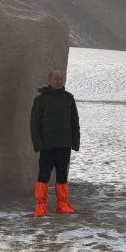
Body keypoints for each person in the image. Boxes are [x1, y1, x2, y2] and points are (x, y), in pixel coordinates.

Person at [30, 70, 80, 216]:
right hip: (47, 145)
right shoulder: (40, 100)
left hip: (65, 144)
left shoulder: (69, 98)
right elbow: (34, 124)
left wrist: (75, 143)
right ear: (49, 81)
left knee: (62, 175)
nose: (58, 81)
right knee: (44, 175)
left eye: (60, 79)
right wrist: (38, 144)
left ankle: (62, 204)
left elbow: (74, 122)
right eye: (55, 79)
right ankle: (40, 205)